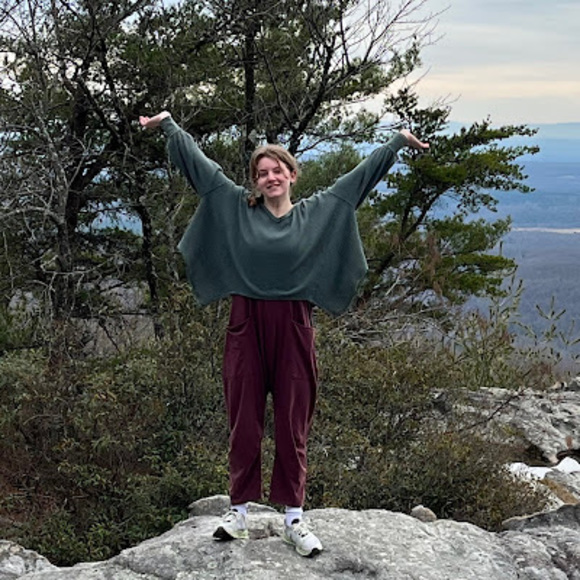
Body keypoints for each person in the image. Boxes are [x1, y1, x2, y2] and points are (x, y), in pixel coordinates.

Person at [139, 111, 429, 557]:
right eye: (262, 173)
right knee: (244, 421)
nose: (270, 177)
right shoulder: (236, 207)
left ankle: (294, 518)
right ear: (255, 182)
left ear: (292, 175)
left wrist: (396, 144)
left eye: (277, 170)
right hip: (245, 323)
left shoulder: (316, 213)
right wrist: (169, 126)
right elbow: (199, 168)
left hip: (294, 325)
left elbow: (359, 179)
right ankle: (238, 512)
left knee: (293, 422)